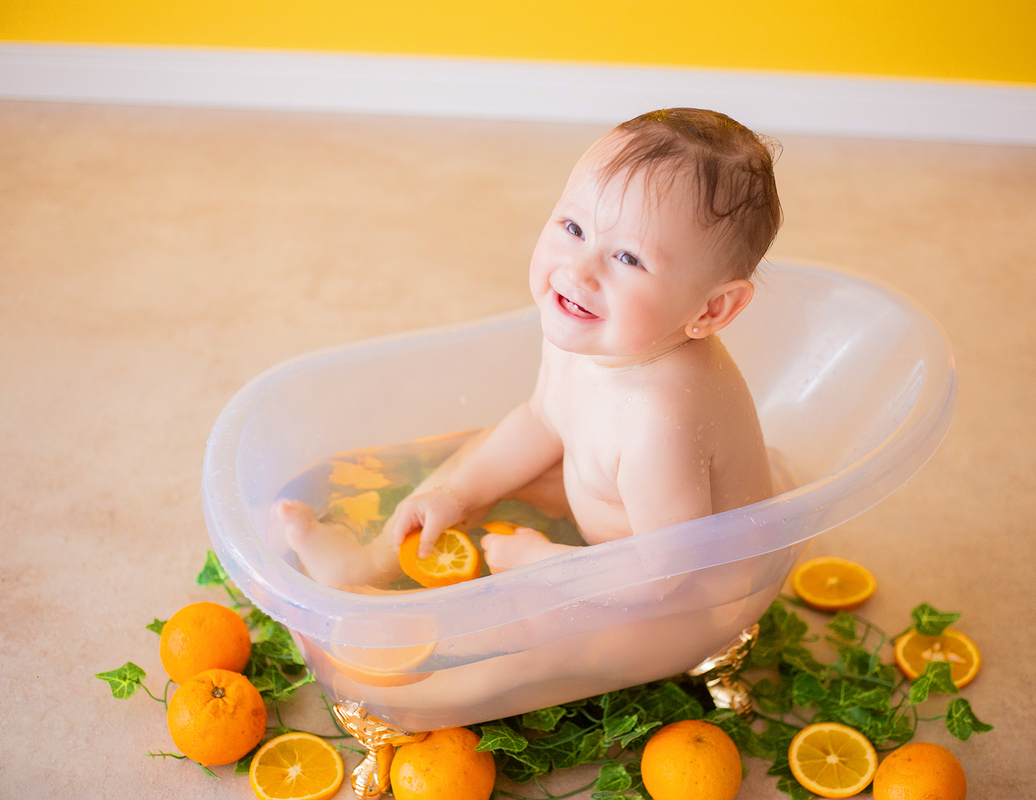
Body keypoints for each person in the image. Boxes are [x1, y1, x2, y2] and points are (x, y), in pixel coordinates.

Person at [274, 108, 783, 590]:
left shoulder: (660, 421)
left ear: (711, 312)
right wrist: (457, 495)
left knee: (528, 645)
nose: (578, 272)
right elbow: (544, 418)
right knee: (485, 458)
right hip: (620, 512)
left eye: (628, 257)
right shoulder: (591, 328)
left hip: (692, 590)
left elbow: (670, 577)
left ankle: (414, 671)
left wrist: (545, 567)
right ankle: (366, 563)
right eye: (574, 228)